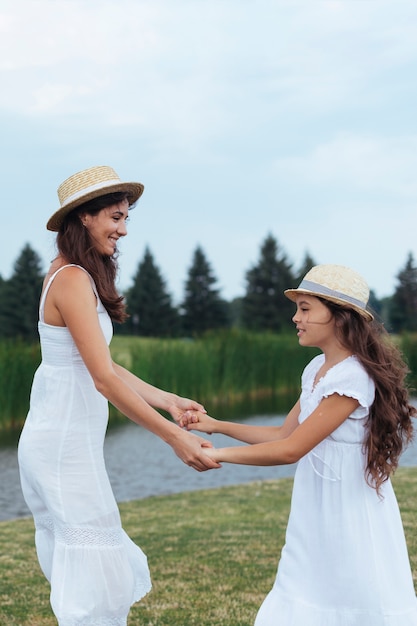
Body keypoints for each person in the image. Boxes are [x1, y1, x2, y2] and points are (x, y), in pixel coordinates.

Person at [18, 165, 220, 626]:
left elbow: (104, 364)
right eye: (114, 217)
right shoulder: (71, 278)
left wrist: (167, 398)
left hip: (66, 442)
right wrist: (175, 437)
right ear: (84, 217)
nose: (123, 230)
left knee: (95, 575)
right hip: (61, 445)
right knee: (93, 579)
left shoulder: (75, 275)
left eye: (126, 218)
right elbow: (103, 381)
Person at [181, 264, 417, 625]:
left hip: (348, 513)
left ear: (340, 317)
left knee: (351, 599)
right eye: (298, 308)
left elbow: (292, 450)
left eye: (306, 308)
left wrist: (215, 456)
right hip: (316, 510)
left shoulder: (352, 377)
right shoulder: (316, 369)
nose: (296, 318)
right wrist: (216, 426)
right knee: (303, 591)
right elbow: (282, 435)